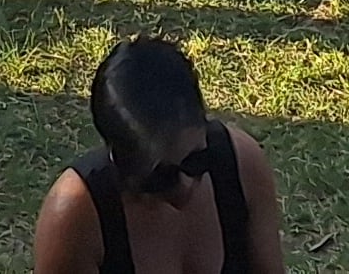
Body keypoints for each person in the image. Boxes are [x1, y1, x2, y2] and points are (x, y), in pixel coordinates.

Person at [29, 36, 287, 274]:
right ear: (120, 161)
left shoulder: (242, 166)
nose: (185, 186)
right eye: (161, 177)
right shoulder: (76, 218)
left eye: (197, 161)